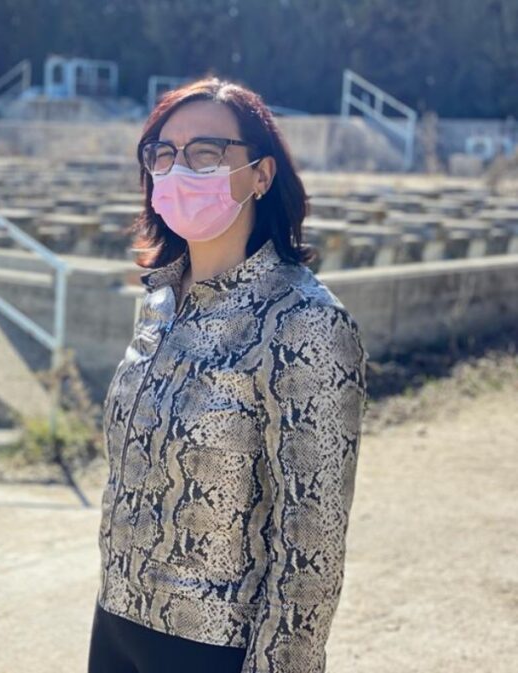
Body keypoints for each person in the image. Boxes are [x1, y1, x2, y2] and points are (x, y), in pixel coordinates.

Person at [90, 78, 368, 673]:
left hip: (215, 647)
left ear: (261, 175)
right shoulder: (160, 303)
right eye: (163, 154)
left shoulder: (303, 321)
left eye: (206, 153)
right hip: (116, 622)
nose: (178, 168)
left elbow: (311, 542)